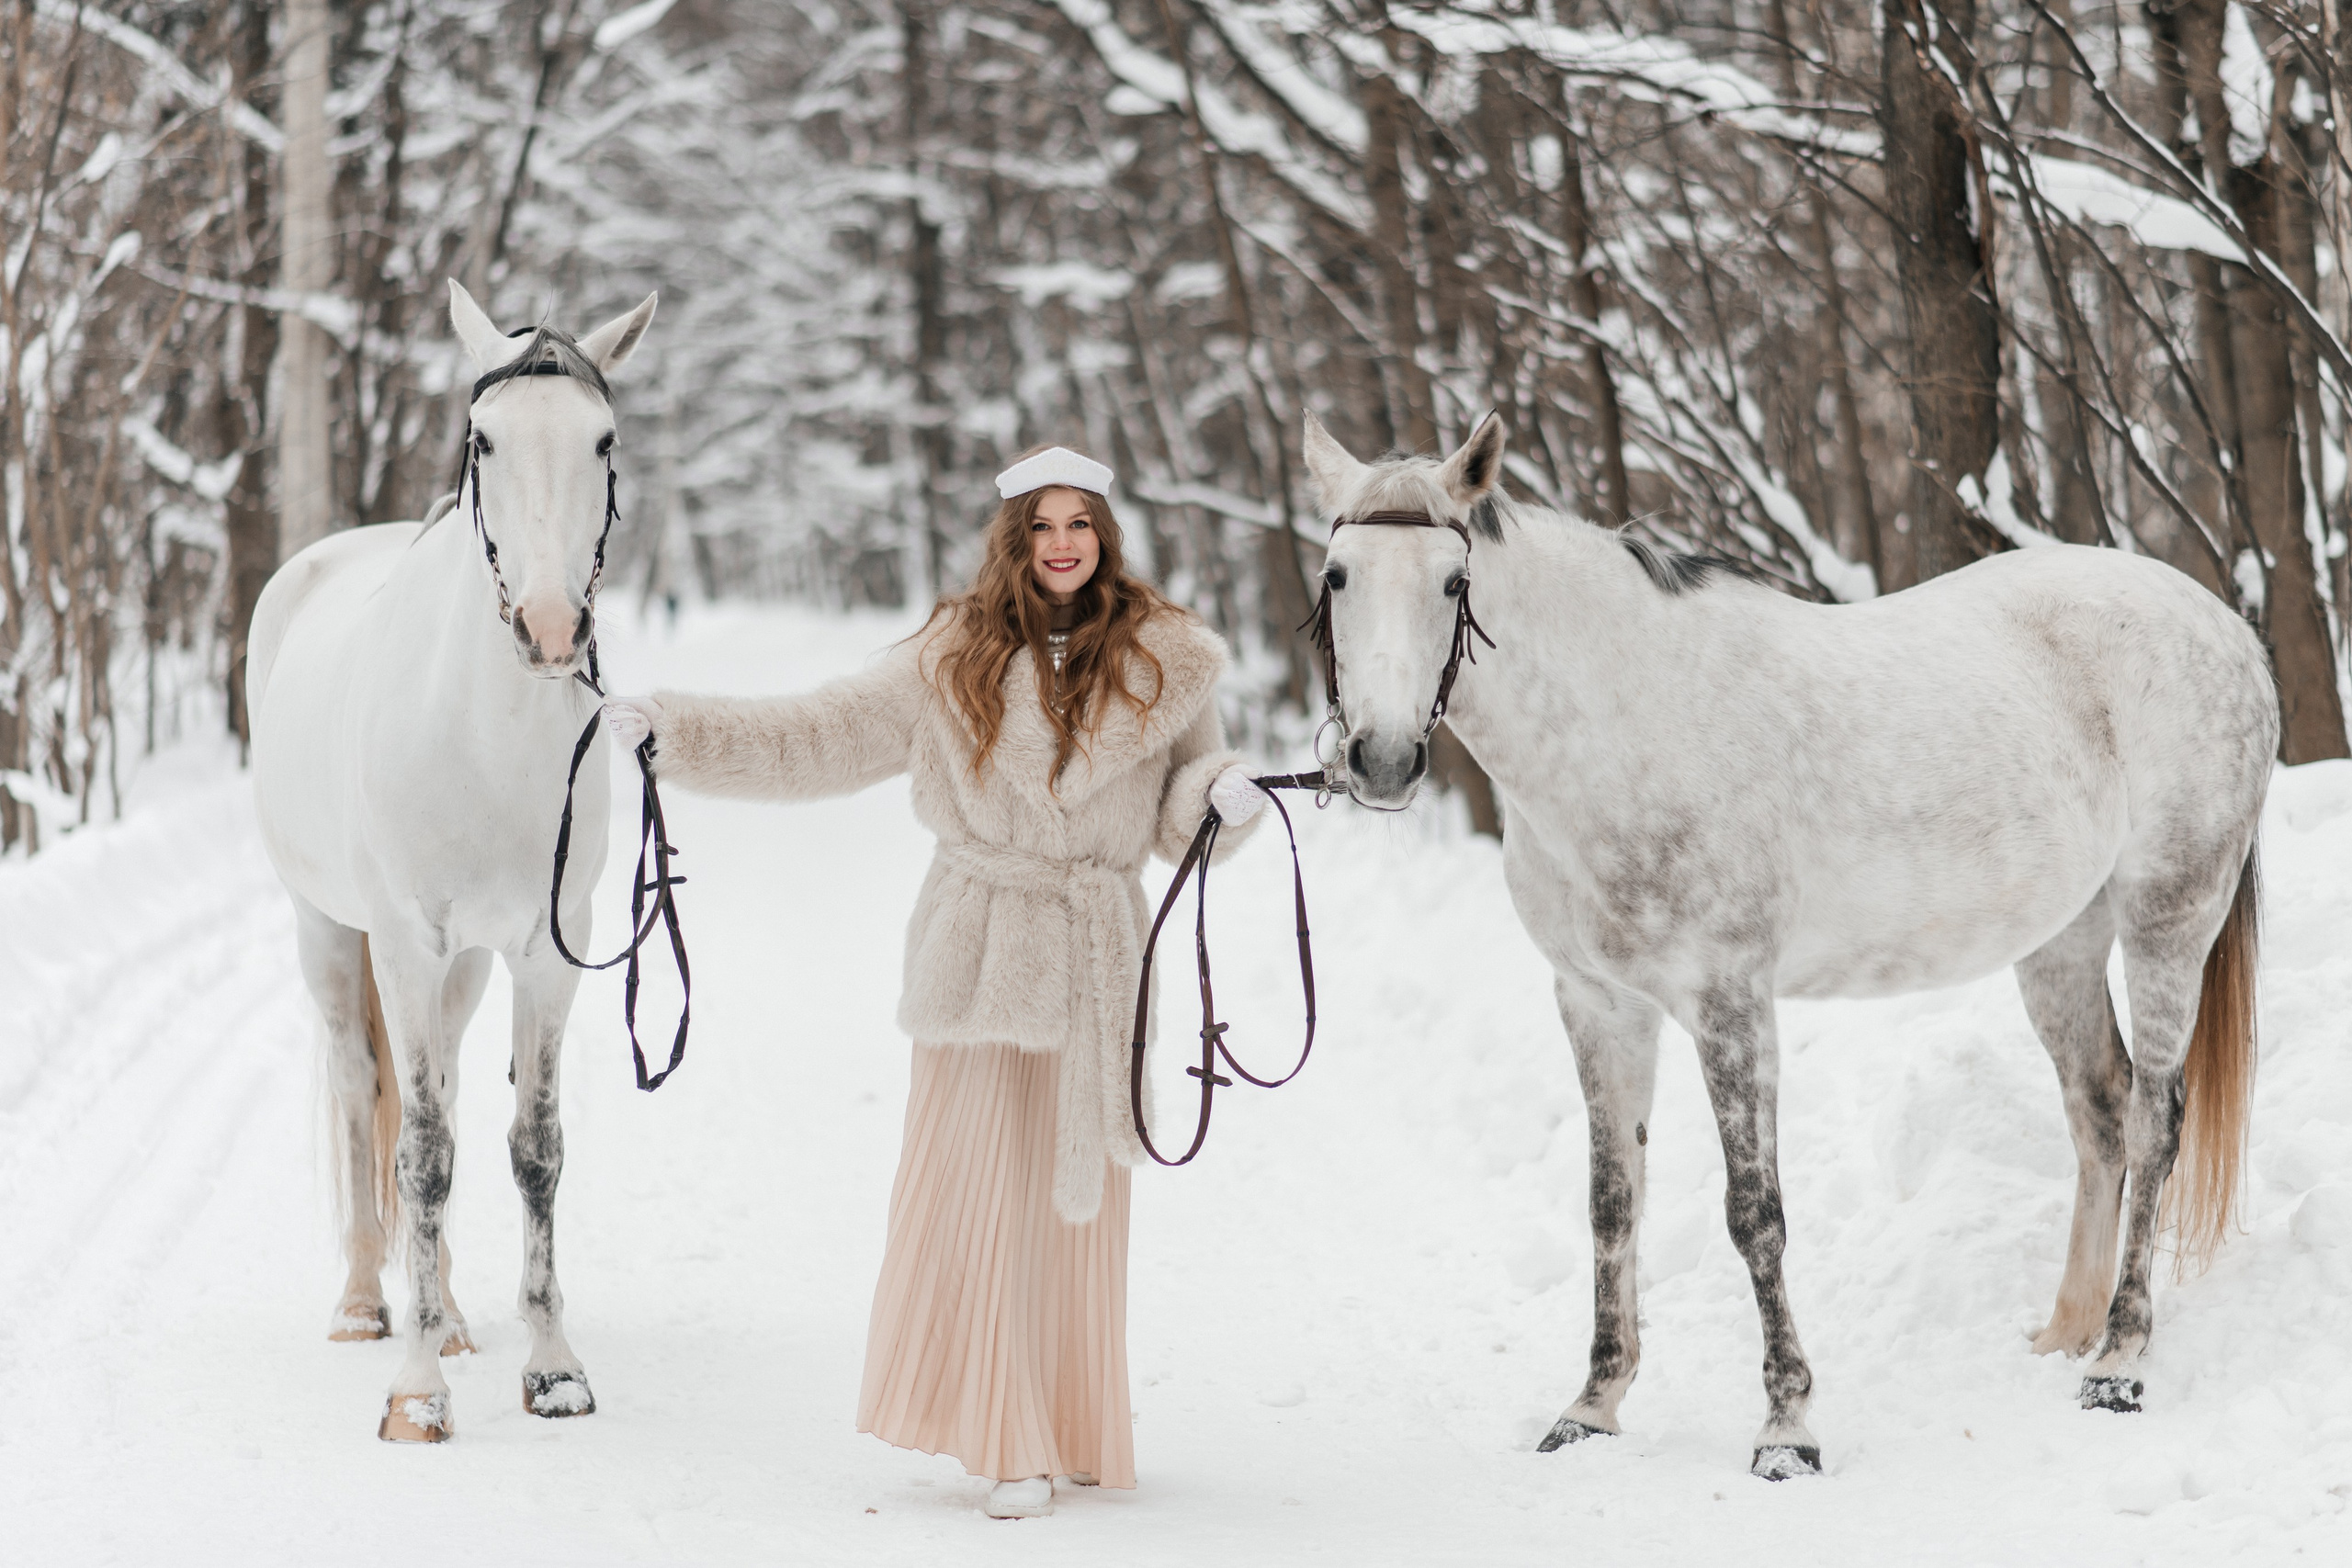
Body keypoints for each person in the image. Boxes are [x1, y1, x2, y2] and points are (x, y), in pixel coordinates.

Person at [600, 446, 1267, 1518]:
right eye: (1042, 527)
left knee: (1074, 1213)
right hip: (980, 949)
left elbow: (1182, 804)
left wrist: (1222, 796)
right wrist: (677, 732)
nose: (1062, 546)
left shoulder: (1167, 657)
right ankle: (1006, 1438)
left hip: (1098, 959)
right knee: (979, 1196)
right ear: (1013, 540)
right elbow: (814, 736)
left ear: (1105, 535)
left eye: (1080, 526)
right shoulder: (948, 654)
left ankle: (1072, 1426)